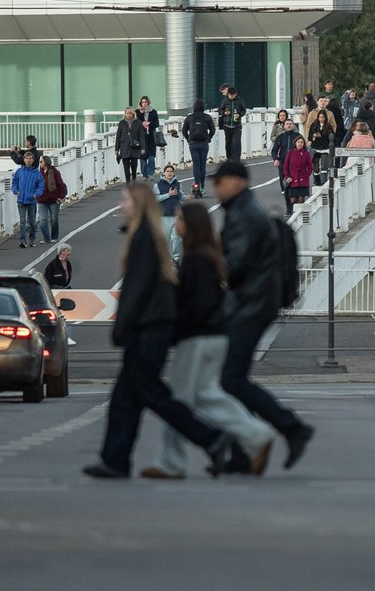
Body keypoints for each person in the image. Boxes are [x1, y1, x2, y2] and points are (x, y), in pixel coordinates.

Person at [82, 183, 232, 479]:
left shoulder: (143, 238)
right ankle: (115, 460)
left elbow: (136, 289)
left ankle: (210, 438)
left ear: (137, 203)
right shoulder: (147, 235)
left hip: (148, 331)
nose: (120, 205)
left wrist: (121, 327)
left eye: (125, 200)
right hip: (152, 329)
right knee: (126, 399)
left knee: (152, 394)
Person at [141, 203, 275, 480]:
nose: (175, 223)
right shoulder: (209, 257)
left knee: (178, 402)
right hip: (214, 337)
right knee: (206, 396)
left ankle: (172, 461)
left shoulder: (195, 261)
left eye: (179, 218)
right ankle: (256, 435)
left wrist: (173, 328)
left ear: (190, 224)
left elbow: (197, 306)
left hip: (197, 338)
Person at [210, 161, 314, 471]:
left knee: (230, 378)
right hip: (252, 302)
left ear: (238, 182)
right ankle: (245, 452)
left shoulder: (244, 213)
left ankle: (291, 427)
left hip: (252, 304)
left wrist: (206, 267)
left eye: (221, 182)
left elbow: (235, 262)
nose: (216, 188)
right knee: (233, 378)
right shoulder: (241, 209)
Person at [182, 99, 216, 198]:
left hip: (193, 144)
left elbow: (184, 131)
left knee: (196, 165)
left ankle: (197, 186)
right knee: (202, 165)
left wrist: (189, 139)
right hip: (204, 143)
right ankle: (202, 186)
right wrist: (209, 138)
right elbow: (213, 130)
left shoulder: (189, 117)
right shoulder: (207, 117)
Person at [12, 150, 43, 248]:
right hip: (21, 199)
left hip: (31, 200)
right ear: (24, 160)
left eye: (30, 158)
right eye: (26, 158)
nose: (28, 160)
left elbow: (41, 185)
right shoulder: (19, 171)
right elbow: (14, 183)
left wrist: (36, 194)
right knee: (22, 221)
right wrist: (16, 191)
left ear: (33, 160)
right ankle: (22, 241)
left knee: (32, 222)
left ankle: (32, 239)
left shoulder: (36, 173)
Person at [270, 119, 302, 213]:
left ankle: (297, 207)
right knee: (286, 186)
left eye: (290, 124)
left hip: (296, 164)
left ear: (293, 126)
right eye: (287, 124)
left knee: (295, 186)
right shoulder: (280, 137)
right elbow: (274, 150)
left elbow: (303, 149)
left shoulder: (298, 136)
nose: (289, 126)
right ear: (284, 126)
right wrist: (275, 159)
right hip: (283, 163)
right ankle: (289, 208)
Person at [155, 164, 184, 262]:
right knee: (165, 239)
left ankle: (176, 257)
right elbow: (155, 199)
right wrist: (168, 194)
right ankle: (166, 258)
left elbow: (181, 196)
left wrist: (188, 197)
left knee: (177, 237)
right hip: (163, 216)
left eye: (171, 171)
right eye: (167, 171)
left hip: (176, 215)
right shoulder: (157, 185)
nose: (169, 173)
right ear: (164, 173)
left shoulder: (178, 184)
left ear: (174, 173)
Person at [37, 155, 67, 243]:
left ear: (46, 162)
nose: (40, 164)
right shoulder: (39, 173)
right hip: (42, 200)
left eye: (41, 162)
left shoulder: (55, 172)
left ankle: (54, 236)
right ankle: (46, 238)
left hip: (53, 200)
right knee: (42, 220)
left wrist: (61, 197)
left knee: (54, 219)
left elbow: (61, 185)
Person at [282, 135, 313, 217]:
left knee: (301, 199)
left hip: (303, 181)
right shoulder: (290, 153)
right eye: (298, 142)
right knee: (292, 200)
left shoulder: (306, 154)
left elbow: (310, 167)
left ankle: (298, 217)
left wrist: (306, 175)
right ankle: (293, 213)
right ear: (295, 143)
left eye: (302, 142)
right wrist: (288, 176)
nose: (300, 144)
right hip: (292, 180)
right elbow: (285, 166)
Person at [115, 106, 146, 184]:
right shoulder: (121, 123)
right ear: (125, 114)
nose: (129, 115)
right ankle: (128, 182)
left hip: (135, 147)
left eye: (130, 113)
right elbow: (118, 136)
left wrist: (143, 148)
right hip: (124, 146)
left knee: (134, 164)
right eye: (127, 113)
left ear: (133, 114)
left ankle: (134, 178)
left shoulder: (138, 122)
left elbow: (141, 135)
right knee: (125, 165)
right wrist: (116, 149)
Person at [218, 86, 246, 162]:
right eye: (230, 95)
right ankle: (229, 158)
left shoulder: (240, 101)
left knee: (237, 142)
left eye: (232, 95)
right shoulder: (225, 101)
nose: (231, 97)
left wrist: (239, 115)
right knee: (228, 142)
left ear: (235, 94)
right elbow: (220, 110)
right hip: (227, 125)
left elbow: (244, 110)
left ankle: (237, 159)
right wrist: (224, 113)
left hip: (237, 125)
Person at [307, 109, 334, 186]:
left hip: (325, 148)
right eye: (319, 117)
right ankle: (317, 181)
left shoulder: (328, 126)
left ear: (325, 118)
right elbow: (309, 136)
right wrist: (314, 136)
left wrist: (322, 135)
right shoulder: (314, 125)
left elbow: (331, 137)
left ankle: (324, 182)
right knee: (315, 168)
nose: (321, 119)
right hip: (315, 148)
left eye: (322, 117)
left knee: (323, 166)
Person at [136, 95, 160, 179]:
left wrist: (149, 123)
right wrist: (142, 118)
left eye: (145, 102)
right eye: (142, 102)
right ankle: (144, 174)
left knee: (151, 155)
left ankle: (151, 173)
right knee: (143, 156)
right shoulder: (137, 112)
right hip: (141, 136)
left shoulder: (153, 112)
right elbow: (136, 123)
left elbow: (157, 123)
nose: (144, 104)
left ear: (148, 102)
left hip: (151, 136)